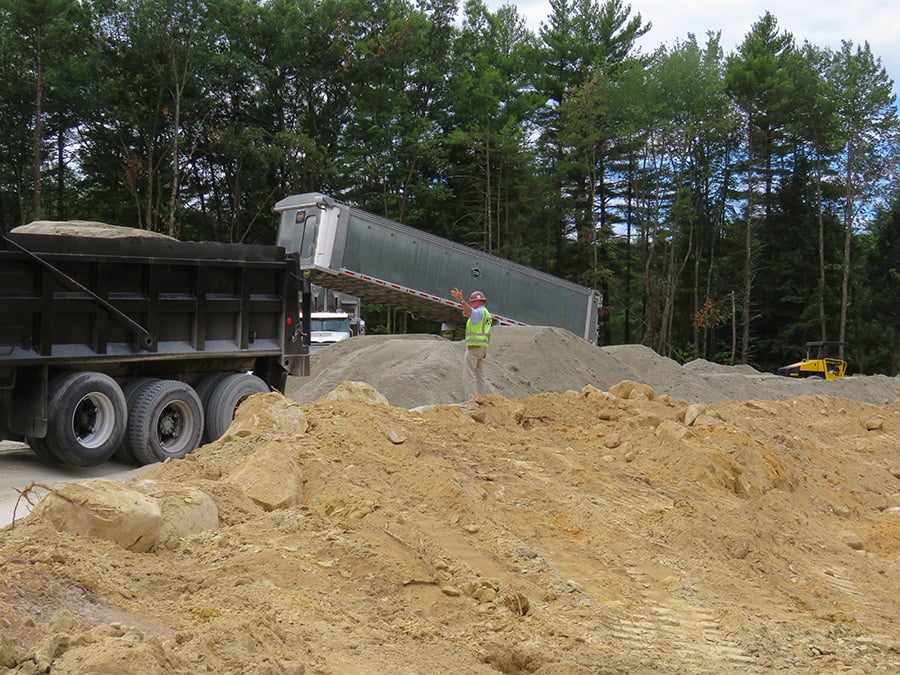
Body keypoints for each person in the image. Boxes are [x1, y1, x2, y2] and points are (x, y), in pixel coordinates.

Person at [450, 287, 492, 400]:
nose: (471, 304)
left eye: (472, 302)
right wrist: (485, 349)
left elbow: (468, 311)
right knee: (480, 375)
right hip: (481, 348)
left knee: (469, 375)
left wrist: (461, 300)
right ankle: (482, 399)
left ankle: (471, 400)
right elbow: (489, 333)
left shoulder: (478, 313)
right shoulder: (487, 314)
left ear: (478, 302)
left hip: (474, 347)